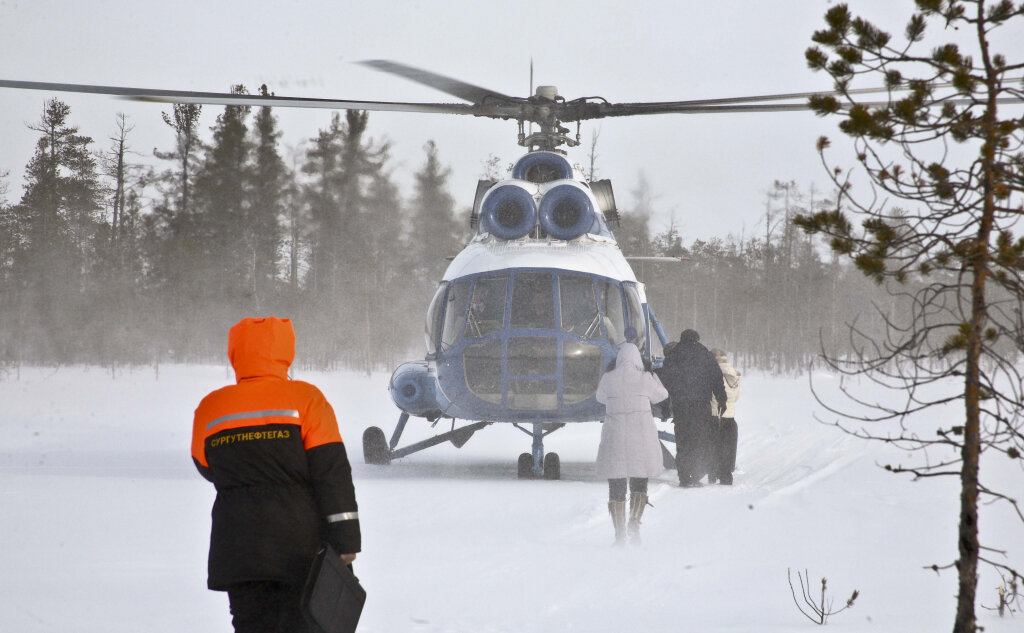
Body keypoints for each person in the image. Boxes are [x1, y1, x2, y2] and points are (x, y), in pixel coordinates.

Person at [191, 316, 361, 633]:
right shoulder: (307, 399)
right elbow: (332, 473)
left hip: (239, 549)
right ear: (286, 350)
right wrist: (347, 540)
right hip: (301, 549)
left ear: (235, 353)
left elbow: (205, 466)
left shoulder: (210, 407)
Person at [595, 342, 670, 545]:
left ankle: (619, 533)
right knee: (639, 480)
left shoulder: (609, 379)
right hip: (641, 438)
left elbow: (600, 397)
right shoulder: (644, 378)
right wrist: (653, 375)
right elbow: (663, 395)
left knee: (617, 485)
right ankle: (634, 521)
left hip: (615, 437)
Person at [656, 328, 727, 487]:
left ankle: (684, 477)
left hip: (681, 406)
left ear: (682, 339)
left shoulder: (673, 356)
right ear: (696, 339)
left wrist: (665, 407)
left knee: (683, 441)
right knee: (699, 441)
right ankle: (695, 475)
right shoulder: (705, 355)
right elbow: (717, 378)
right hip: (701, 406)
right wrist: (722, 399)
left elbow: (665, 384)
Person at [709, 348, 741, 485]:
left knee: (714, 445)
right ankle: (726, 475)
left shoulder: (712, 373)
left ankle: (712, 473)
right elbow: (736, 398)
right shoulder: (734, 374)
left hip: (715, 414)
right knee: (728, 448)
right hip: (730, 416)